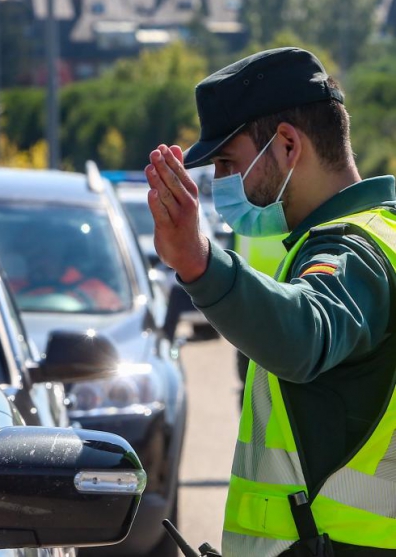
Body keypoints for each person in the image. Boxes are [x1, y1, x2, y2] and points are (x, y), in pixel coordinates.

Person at [145, 47, 396, 555]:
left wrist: (198, 261)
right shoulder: (369, 234)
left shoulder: (356, 251)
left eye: (227, 163)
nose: (220, 184)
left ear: (285, 145)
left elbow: (306, 333)